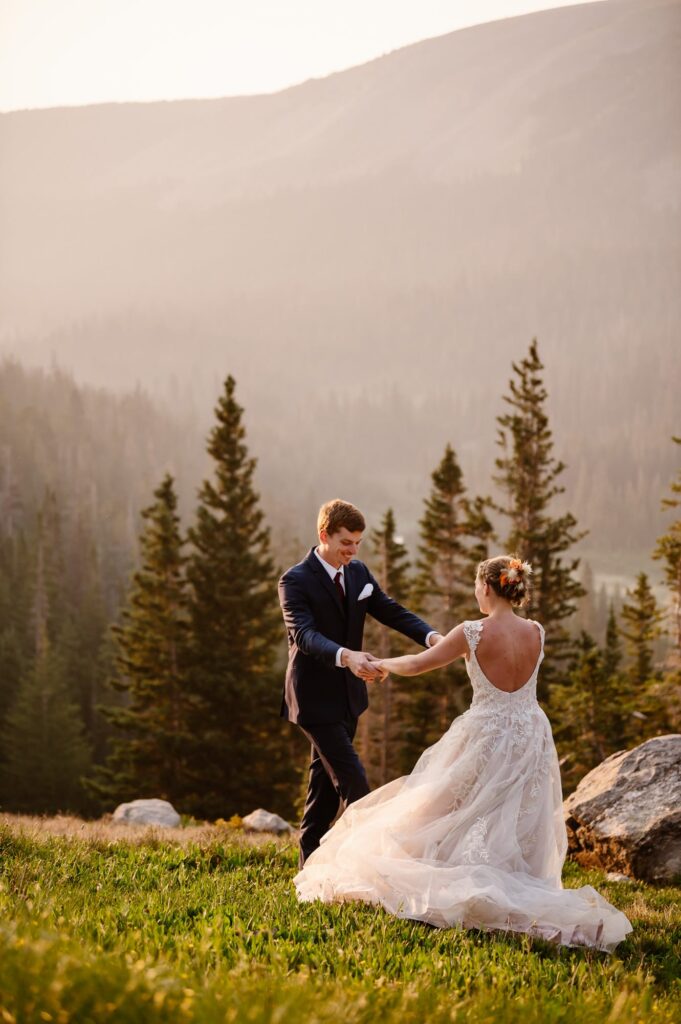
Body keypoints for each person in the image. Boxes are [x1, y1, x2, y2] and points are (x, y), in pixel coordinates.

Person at [293, 555, 633, 952]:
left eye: (477, 586)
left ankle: (467, 877)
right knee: (515, 810)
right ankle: (517, 876)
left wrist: (378, 663)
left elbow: (419, 664)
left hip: (487, 731)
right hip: (530, 731)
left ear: (486, 588)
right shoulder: (536, 631)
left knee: (450, 804)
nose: (476, 592)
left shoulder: (472, 632)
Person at [278, 499, 442, 867]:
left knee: (321, 793)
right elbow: (304, 635)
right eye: (345, 543)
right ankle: (374, 871)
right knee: (356, 786)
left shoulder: (359, 573)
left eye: (357, 543)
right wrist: (348, 656)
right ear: (324, 536)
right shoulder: (294, 580)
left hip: (350, 699)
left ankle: (310, 872)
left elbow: (392, 611)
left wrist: (433, 638)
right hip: (313, 699)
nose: (352, 551)